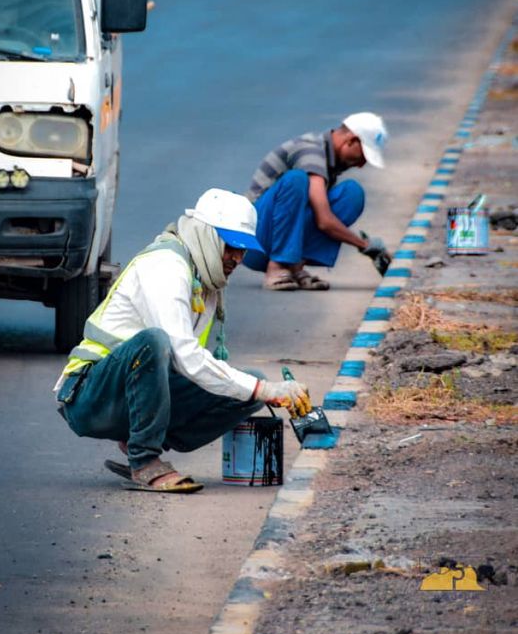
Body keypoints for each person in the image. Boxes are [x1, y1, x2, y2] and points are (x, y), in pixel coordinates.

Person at [54, 189, 311, 494]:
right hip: (89, 395)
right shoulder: (166, 266)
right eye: (231, 247)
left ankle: (141, 437)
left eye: (243, 250)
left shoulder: (204, 277)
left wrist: (258, 389)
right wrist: (266, 391)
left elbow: (194, 364)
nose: (238, 258)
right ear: (207, 235)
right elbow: (184, 355)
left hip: (129, 397)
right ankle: (144, 460)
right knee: (153, 342)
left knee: (249, 385)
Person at [244, 113, 392, 290]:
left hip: (274, 237)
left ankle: (294, 267)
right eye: (363, 156)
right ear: (351, 140)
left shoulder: (329, 162)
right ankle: (278, 265)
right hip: (252, 242)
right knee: (296, 179)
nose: (360, 165)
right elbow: (324, 220)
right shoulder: (311, 151)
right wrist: (366, 246)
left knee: (352, 193)